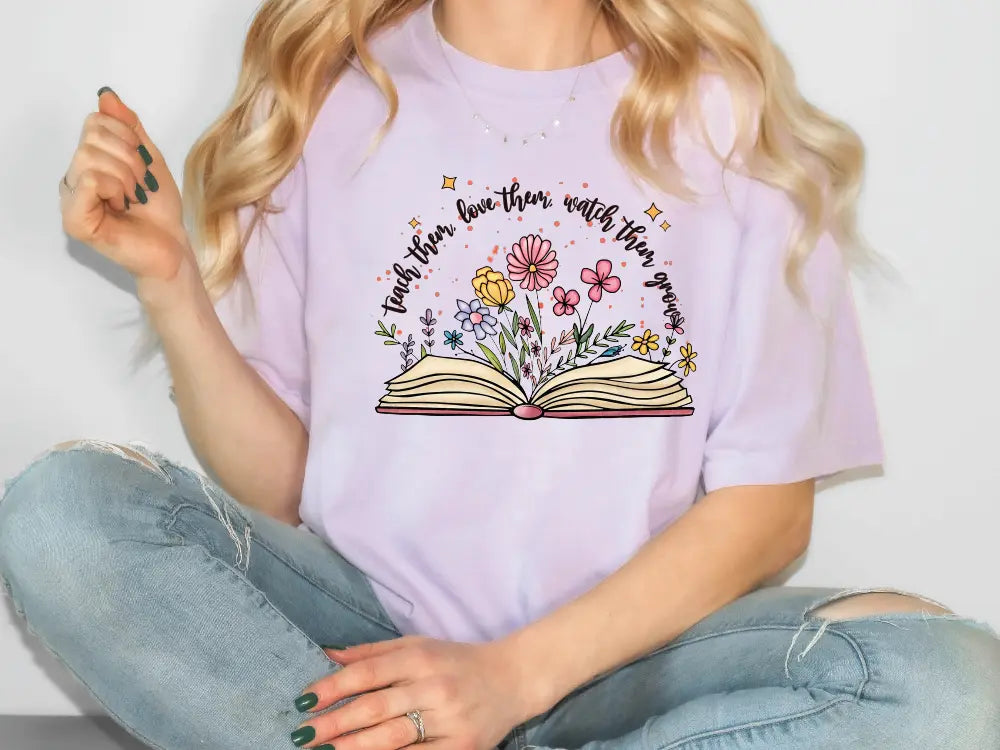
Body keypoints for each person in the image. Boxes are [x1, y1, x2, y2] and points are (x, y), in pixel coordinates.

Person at [2, 0, 998, 748]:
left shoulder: (726, 116)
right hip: (362, 645)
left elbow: (769, 511)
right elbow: (284, 487)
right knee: (60, 514)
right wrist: (172, 283)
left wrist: (512, 681)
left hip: (629, 660)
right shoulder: (329, 97)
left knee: (945, 688)